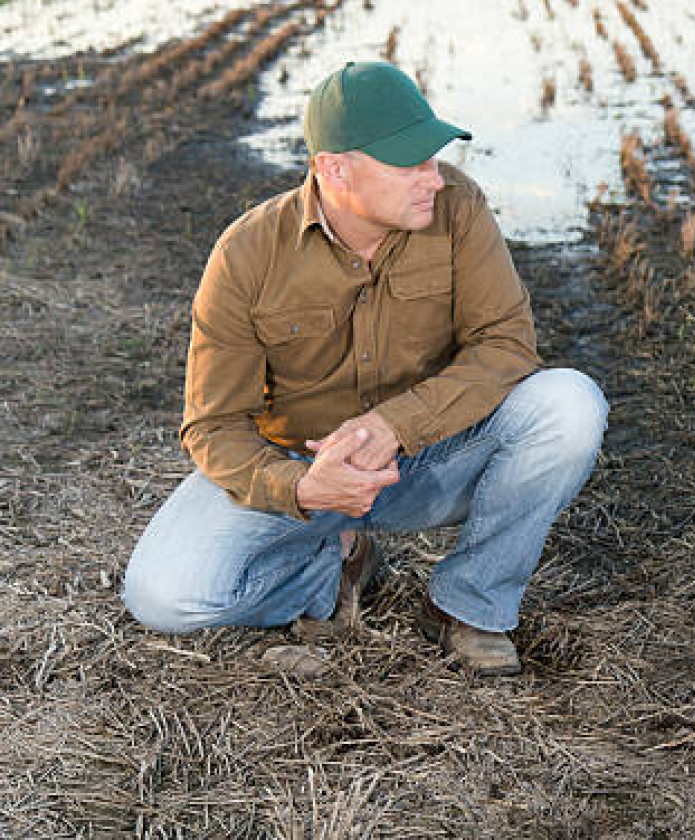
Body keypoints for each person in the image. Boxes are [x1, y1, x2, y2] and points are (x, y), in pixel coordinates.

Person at [123, 61, 608, 676]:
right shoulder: (245, 254)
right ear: (334, 169)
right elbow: (213, 426)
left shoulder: (458, 208)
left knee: (569, 404)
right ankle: (336, 560)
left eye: (433, 158)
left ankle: (468, 606)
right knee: (162, 597)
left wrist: (395, 423)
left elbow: (507, 345)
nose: (433, 179)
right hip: (305, 473)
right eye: (409, 164)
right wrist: (300, 488)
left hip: (430, 459)